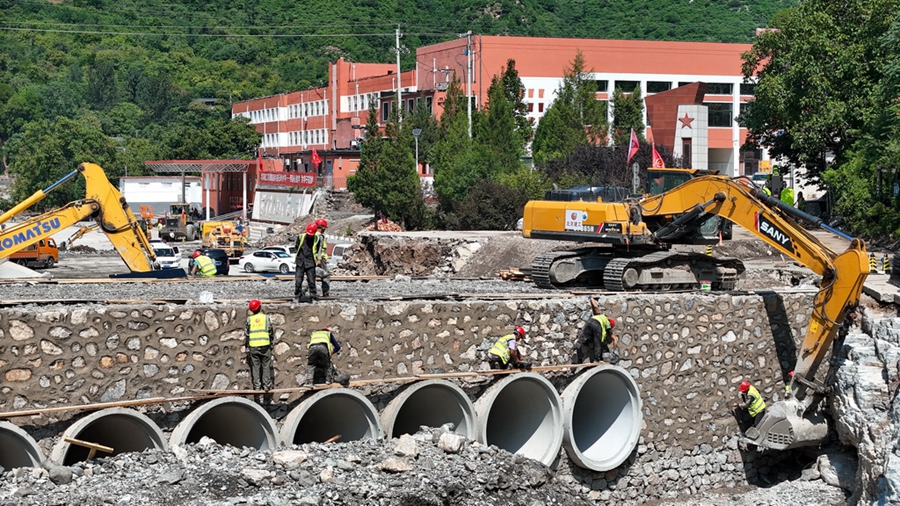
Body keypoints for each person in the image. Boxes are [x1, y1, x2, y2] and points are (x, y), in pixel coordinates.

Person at [245, 299, 275, 404]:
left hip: (253, 347)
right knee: (266, 366)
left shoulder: (249, 320)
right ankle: (266, 388)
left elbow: (247, 334)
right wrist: (271, 344)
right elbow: (271, 331)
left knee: (255, 367)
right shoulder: (266, 318)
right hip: (265, 346)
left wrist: (247, 347)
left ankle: (257, 388)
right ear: (260, 307)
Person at [573, 296, 618, 364]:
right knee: (597, 342)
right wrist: (614, 349)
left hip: (590, 321)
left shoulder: (601, 316)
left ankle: (577, 347)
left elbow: (596, 307)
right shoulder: (607, 324)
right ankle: (597, 359)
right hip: (596, 325)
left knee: (584, 337)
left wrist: (591, 298)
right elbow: (614, 338)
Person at [294, 222, 319, 302]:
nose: (309, 235)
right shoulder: (301, 237)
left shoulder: (317, 238)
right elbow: (297, 246)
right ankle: (297, 296)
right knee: (298, 280)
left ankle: (313, 296)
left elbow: (318, 250)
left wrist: (319, 259)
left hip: (310, 261)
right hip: (300, 261)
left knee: (311, 280)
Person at [314, 218, 331, 297]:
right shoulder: (320, 236)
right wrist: (319, 259)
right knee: (325, 275)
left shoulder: (313, 235)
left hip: (313, 258)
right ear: (322, 227)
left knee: (311, 275)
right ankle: (325, 293)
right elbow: (320, 248)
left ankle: (304, 292)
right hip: (320, 259)